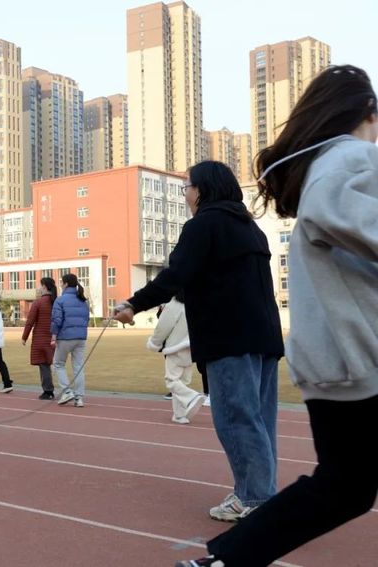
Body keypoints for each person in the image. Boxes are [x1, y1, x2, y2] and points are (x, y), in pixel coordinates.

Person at [177, 65, 378, 567]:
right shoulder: (350, 158)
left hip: (335, 361)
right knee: (340, 483)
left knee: (345, 487)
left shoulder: (320, 172)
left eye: (186, 187)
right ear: (367, 114)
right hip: (356, 358)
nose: (185, 194)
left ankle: (225, 559)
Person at [113, 160, 284, 524]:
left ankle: (255, 498)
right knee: (259, 420)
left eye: (186, 187)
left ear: (202, 189)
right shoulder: (251, 228)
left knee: (236, 419)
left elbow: (176, 275)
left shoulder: (203, 225)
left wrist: (133, 304)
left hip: (228, 337)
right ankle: (257, 492)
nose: (185, 194)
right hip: (265, 338)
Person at [146, 292, 205, 424]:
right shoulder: (198, 302)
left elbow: (163, 327)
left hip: (176, 348)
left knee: (171, 381)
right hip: (192, 348)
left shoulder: (174, 305)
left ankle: (191, 396)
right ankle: (179, 415)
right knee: (182, 381)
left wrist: (154, 343)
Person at [51, 273, 90, 408]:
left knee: (58, 364)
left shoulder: (60, 300)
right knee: (78, 367)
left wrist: (54, 335)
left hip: (65, 337)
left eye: (61, 283)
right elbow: (86, 319)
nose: (61, 285)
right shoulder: (83, 300)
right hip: (81, 337)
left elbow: (57, 320)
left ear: (66, 284)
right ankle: (79, 398)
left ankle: (67, 391)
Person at [22, 277, 57, 400]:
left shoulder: (38, 303)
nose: (39, 288)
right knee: (56, 364)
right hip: (55, 337)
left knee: (44, 365)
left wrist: (24, 337)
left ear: (45, 287)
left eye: (40, 286)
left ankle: (48, 391)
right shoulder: (56, 302)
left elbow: (30, 322)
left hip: (41, 339)